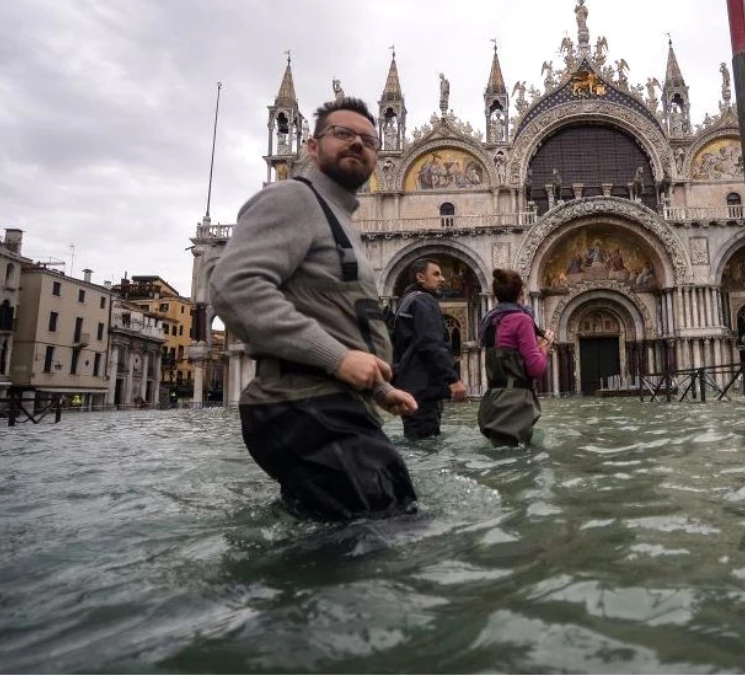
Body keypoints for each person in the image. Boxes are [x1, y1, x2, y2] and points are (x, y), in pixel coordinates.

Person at [210, 96, 419, 521]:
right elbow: (233, 287)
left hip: (329, 407)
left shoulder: (338, 218)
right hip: (306, 408)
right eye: (343, 134)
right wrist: (339, 359)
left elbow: (338, 318)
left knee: (356, 537)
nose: (357, 144)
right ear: (311, 146)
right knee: (385, 537)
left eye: (368, 139)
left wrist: (379, 389)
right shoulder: (292, 198)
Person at [391, 259, 468, 440]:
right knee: (426, 445)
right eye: (436, 274)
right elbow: (431, 343)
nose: (442, 279)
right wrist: (453, 379)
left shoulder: (406, 301)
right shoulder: (423, 302)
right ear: (420, 277)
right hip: (423, 390)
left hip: (409, 389)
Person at [477, 269, 553, 446]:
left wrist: (537, 346)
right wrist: (545, 346)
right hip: (515, 405)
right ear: (522, 292)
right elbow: (536, 368)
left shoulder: (489, 321)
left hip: (493, 402)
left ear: (495, 295)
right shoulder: (522, 319)